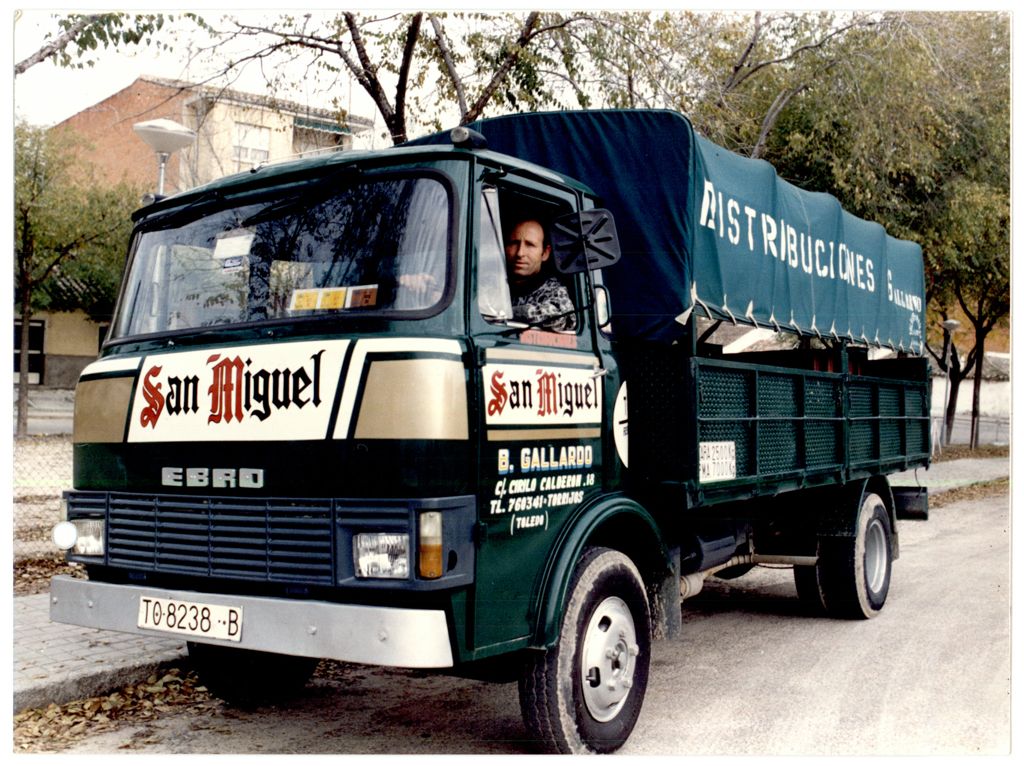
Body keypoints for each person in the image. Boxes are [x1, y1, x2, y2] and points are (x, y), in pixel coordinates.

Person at [504, 219, 577, 332]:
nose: (520, 253)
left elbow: (562, 315)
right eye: (514, 243)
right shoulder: (495, 286)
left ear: (545, 253)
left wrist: (505, 313)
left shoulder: (553, 290)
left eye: (530, 245)